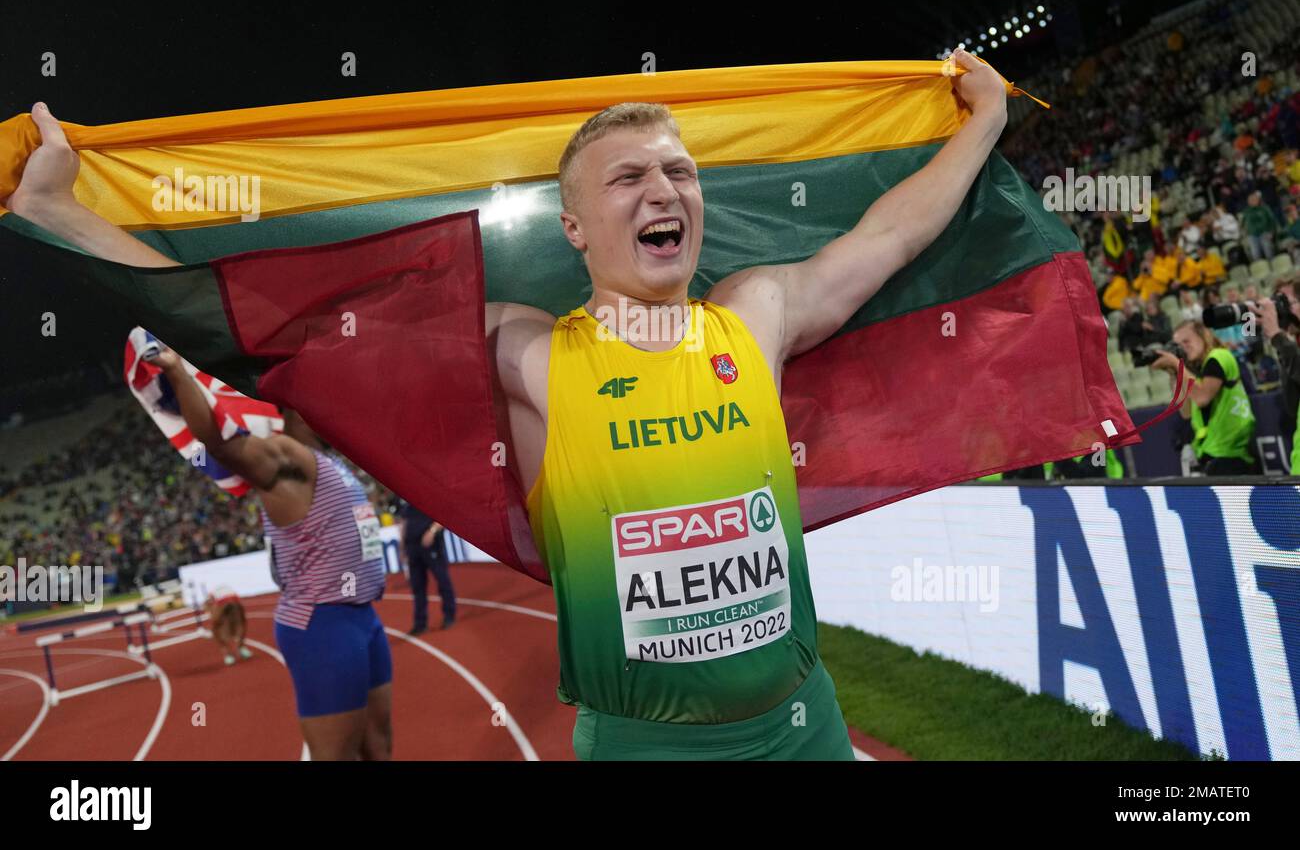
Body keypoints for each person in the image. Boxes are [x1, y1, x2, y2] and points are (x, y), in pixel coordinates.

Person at [8, 49, 1009, 760]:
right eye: (629, 177)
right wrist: (64, 213)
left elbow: (892, 237)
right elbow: (273, 328)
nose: (663, 189)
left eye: (679, 171)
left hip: (805, 726)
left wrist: (986, 124)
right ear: (573, 226)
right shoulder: (528, 353)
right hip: (646, 747)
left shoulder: (756, 315)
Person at [146, 349, 391, 760]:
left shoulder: (330, 462)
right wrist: (175, 369)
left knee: (379, 747)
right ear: (295, 410)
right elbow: (220, 444)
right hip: (323, 624)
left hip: (363, 616)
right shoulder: (286, 459)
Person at [1151, 321, 1258, 475]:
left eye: (1187, 341)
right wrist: (1174, 373)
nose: (1183, 347)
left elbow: (1202, 398)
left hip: (1231, 453)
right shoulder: (1196, 371)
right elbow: (1186, 412)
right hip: (1213, 452)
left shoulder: (1219, 356)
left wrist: (1177, 365)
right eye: (1178, 345)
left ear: (1203, 337)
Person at [1250, 274, 1300, 474]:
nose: (1282, 310)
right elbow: (1292, 405)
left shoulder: (1288, 346)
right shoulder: (1292, 346)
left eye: (1287, 303)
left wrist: (1279, 338)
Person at [399, 499, 456, 634]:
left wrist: (432, 531)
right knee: (417, 587)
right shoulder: (405, 499)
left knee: (442, 580)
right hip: (412, 547)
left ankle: (449, 614)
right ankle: (420, 623)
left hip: (431, 545)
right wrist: (402, 547)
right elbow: (404, 522)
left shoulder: (430, 494)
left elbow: (445, 514)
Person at [205, 585, 252, 666]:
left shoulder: (237, 607)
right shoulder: (216, 607)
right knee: (216, 625)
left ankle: (241, 648)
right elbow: (215, 624)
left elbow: (242, 622)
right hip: (219, 602)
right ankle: (227, 654)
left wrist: (240, 643)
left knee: (240, 622)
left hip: (230, 601)